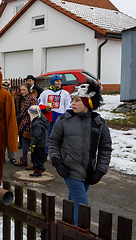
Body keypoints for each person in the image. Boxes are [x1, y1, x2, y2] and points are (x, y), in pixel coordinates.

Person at [49, 81, 112, 225]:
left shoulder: (99, 123)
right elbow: (53, 143)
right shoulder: (63, 120)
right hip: (70, 170)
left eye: (77, 100)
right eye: (72, 100)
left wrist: (100, 170)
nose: (73, 103)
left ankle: (67, 228)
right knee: (82, 204)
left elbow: (105, 148)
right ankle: (78, 233)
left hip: (89, 172)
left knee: (73, 202)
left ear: (89, 102)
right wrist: (57, 162)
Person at [38, 74, 71, 157]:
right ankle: (45, 153)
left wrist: (66, 117)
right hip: (48, 118)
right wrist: (45, 108)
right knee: (47, 137)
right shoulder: (45, 93)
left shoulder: (65, 93)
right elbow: (39, 103)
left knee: (59, 137)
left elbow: (68, 106)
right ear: (52, 82)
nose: (59, 83)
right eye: (57, 81)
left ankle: (59, 154)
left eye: (60, 81)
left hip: (60, 118)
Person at [14, 83, 38, 168]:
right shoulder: (24, 98)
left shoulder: (31, 98)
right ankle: (24, 159)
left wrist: (16, 119)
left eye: (24, 90)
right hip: (25, 121)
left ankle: (32, 162)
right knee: (24, 141)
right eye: (21, 90)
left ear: (28, 90)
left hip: (31, 122)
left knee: (32, 143)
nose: (22, 91)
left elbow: (27, 112)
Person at [28, 105, 49, 177]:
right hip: (42, 143)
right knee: (40, 156)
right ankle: (41, 168)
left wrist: (32, 144)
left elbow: (37, 135)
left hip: (38, 144)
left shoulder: (37, 123)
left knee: (36, 158)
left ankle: (38, 171)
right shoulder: (41, 119)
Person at [2, 79, 16, 163]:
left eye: (7, 86)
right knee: (2, 140)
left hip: (11, 118)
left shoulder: (13, 94)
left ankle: (12, 157)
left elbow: (16, 106)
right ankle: (2, 156)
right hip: (2, 119)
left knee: (11, 138)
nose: (6, 87)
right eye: (4, 85)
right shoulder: (0, 94)